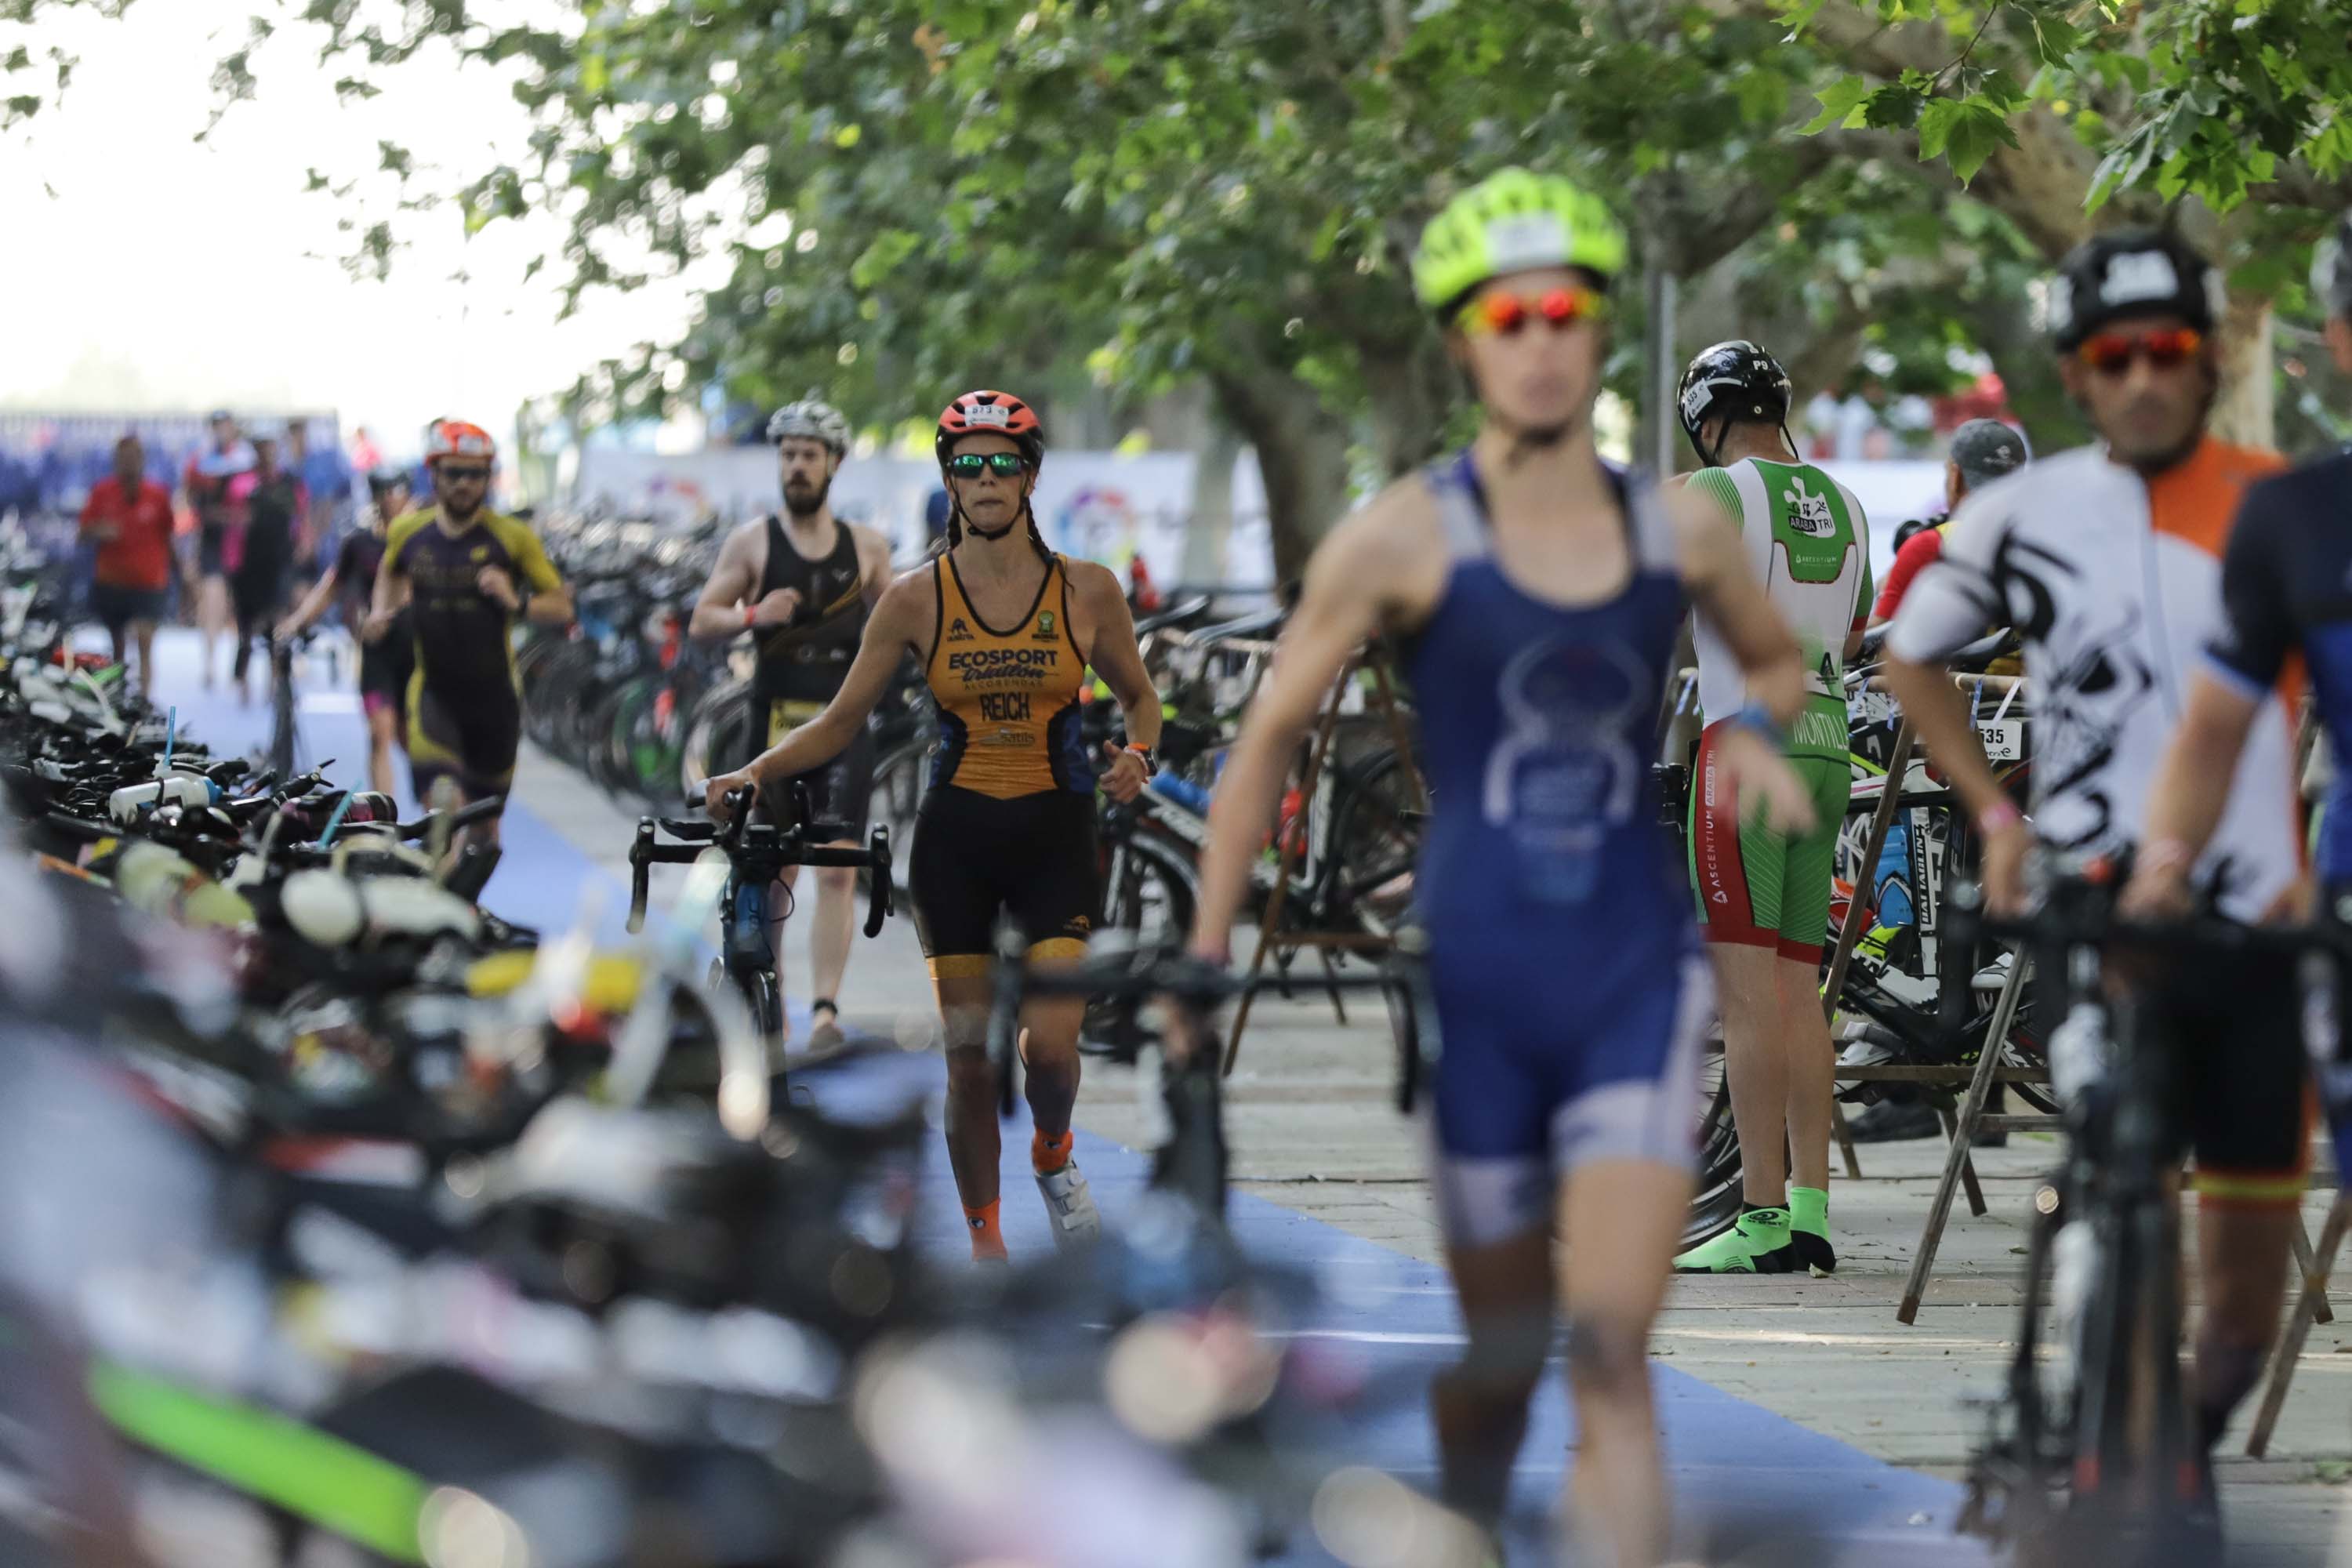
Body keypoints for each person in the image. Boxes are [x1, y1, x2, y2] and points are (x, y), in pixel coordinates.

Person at [1185, 170, 1816, 1565]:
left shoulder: (1680, 525)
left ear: (1596, 336)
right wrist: (1203, 951)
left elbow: (1773, 658)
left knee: (1608, 1358)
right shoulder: (1402, 534)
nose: (1540, 339)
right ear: (1466, 340)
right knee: (1505, 1356)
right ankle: (1468, 1502)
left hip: (1632, 987)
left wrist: (1763, 727)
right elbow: (1267, 740)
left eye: (1567, 314)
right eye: (1509, 316)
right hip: (1477, 991)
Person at [1883, 228, 2304, 1545]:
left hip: (2254, 917)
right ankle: (2105, 1437)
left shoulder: (2278, 506)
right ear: (2075, 373)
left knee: (2238, 1304)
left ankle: (2171, 1446)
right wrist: (1995, 814)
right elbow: (1910, 656)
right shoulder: (2025, 513)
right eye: (2111, 359)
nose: (2140, 380)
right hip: (2093, 906)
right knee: (2121, 1165)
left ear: (2210, 357)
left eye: (2165, 353)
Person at [704, 390, 1161, 1263]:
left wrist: (1139, 749)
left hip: (1057, 836)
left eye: (1001, 461)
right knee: (970, 1061)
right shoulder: (915, 599)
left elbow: (1141, 697)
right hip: (955, 845)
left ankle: (1055, 1153)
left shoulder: (1090, 590)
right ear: (949, 477)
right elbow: (840, 721)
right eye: (967, 462)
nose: (984, 478)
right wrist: (755, 771)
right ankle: (986, 1247)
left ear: (1029, 474)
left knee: (1053, 1053)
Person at [1665, 340, 1871, 1276]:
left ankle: (1755, 1216)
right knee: (1798, 986)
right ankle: (1811, 1208)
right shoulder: (1853, 504)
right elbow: (1855, 629)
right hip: (1831, 743)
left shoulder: (1712, 494)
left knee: (1745, 993)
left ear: (1709, 420)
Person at [687, 401, 894, 1054]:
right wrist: (752, 613)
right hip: (772, 723)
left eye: (809, 455)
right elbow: (702, 619)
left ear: (833, 463)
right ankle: (764, 1004)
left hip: (840, 724)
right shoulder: (751, 542)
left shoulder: (867, 547)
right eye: (787, 455)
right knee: (766, 868)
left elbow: (902, 622)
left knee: (837, 871)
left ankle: (826, 1012)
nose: (796, 467)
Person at [368, 420, 573, 840]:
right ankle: (439, 897)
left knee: (484, 831)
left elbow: (562, 606)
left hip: (494, 704)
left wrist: (517, 601)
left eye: (476, 473)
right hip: (433, 697)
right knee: (443, 812)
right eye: (455, 473)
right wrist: (380, 613)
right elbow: (390, 572)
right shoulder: (408, 532)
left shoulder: (512, 538)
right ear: (434, 473)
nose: (465, 484)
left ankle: (464, 902)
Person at [279, 468, 414, 796]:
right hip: (377, 649)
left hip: (417, 650)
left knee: (411, 741)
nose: (388, 499)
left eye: (395, 491)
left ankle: (434, 820)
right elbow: (330, 588)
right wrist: (296, 622)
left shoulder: (422, 539)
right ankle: (385, 821)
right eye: (381, 491)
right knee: (378, 735)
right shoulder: (359, 543)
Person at [1867, 419, 2029, 624]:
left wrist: (1887, 591)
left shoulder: (1931, 545)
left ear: (1955, 476)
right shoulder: (2047, 537)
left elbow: (1876, 642)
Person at [76, 435, 174, 697]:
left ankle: (144, 699)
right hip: (111, 582)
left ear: (142, 461)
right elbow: (82, 533)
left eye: (134, 458)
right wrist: (99, 530)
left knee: (145, 640)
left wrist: (182, 575)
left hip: (149, 582)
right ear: (115, 462)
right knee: (117, 646)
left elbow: (169, 536)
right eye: (123, 459)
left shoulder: (158, 494)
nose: (129, 464)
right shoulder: (102, 492)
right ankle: (118, 696)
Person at [226, 430, 307, 706]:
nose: (267, 452)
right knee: (246, 628)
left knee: (276, 623)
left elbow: (301, 517)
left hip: (279, 561)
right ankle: (243, 684)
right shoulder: (242, 481)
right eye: (262, 447)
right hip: (247, 564)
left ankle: (274, 685)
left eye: (271, 446)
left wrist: (303, 547)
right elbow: (232, 516)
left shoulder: (290, 483)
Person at [180, 410, 252, 690]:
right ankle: (210, 662)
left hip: (242, 544)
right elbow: (190, 496)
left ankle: (241, 668)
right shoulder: (201, 458)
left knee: (243, 609)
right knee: (211, 600)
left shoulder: (247, 458)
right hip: (212, 541)